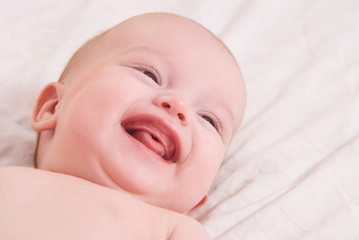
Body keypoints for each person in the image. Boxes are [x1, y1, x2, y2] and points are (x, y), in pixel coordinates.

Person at [0, 12, 246, 239]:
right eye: (149, 74)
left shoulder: (175, 230)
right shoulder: (8, 182)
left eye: (209, 120)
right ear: (53, 107)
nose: (179, 105)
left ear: (196, 201)